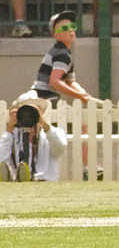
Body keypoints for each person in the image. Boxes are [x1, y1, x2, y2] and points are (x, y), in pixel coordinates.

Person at [16, 10, 97, 180]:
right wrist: (79, 97)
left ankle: (27, 165)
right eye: (65, 27)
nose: (71, 30)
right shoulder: (62, 54)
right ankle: (87, 167)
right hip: (45, 97)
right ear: (55, 34)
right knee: (81, 123)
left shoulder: (64, 53)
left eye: (72, 26)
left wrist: (81, 92)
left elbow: (69, 80)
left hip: (44, 96)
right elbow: (54, 82)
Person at [0, 97, 67, 182]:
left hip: (44, 182)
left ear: (41, 113)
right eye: (25, 111)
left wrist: (44, 123)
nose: (28, 115)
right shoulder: (11, 136)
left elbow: (60, 149)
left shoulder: (53, 133)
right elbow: (1, 159)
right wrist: (9, 129)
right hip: (17, 184)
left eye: (33, 111)